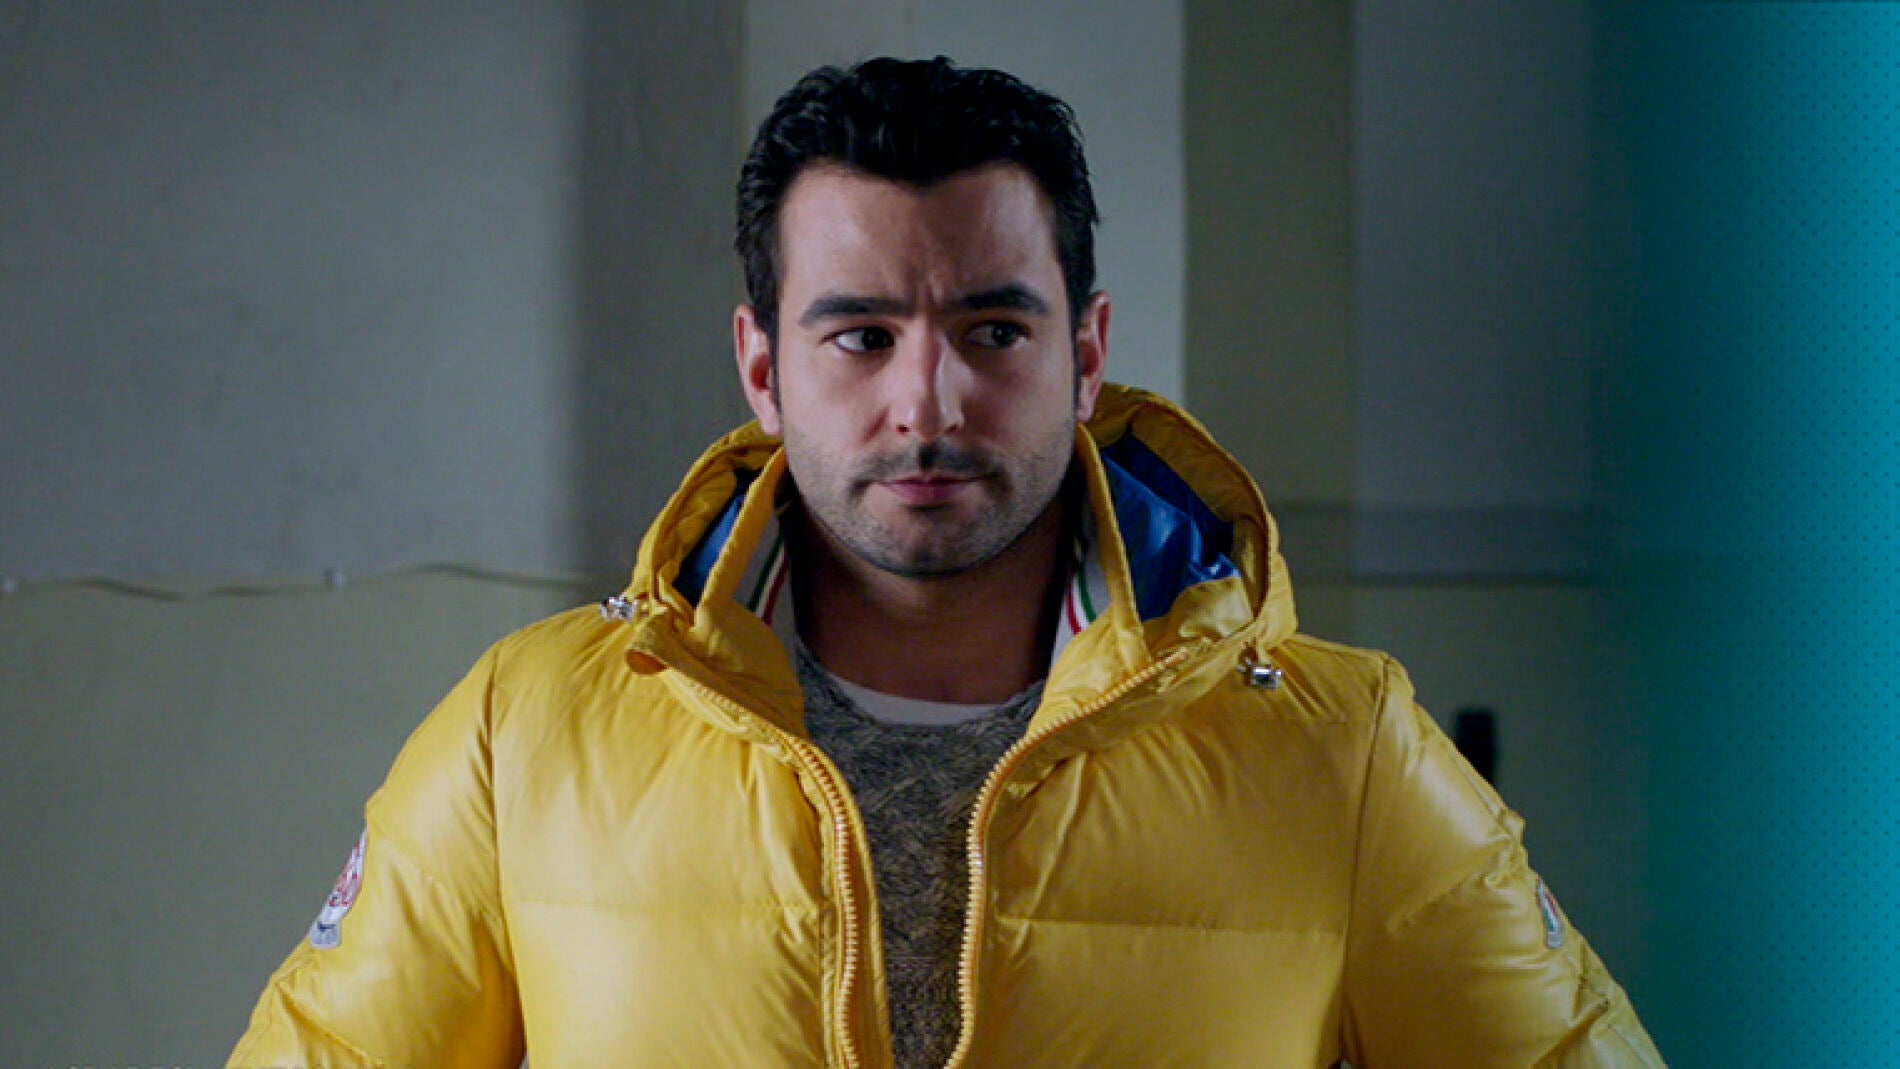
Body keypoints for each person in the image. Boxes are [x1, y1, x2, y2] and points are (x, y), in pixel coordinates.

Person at [229, 57, 1664, 1068]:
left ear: (1086, 353)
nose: (929, 402)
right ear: (762, 369)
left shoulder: (1338, 753)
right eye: (860, 336)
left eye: (994, 330)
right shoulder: (528, 732)